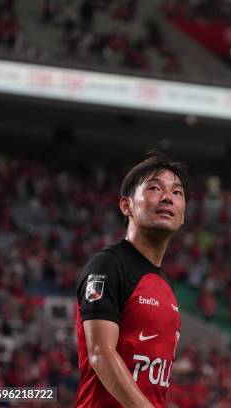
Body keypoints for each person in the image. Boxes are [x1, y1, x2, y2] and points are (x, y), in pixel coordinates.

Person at [74, 151, 188, 407]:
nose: (168, 197)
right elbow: (100, 354)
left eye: (177, 193)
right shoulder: (107, 265)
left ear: (183, 216)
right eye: (155, 188)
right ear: (126, 206)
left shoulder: (166, 288)